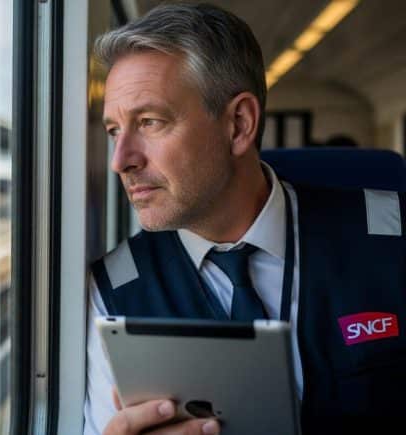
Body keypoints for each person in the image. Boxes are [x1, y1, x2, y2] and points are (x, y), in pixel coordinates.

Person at [85, 4, 405, 435]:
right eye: (113, 131)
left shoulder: (393, 238)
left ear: (239, 124)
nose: (120, 160)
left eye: (150, 122)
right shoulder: (109, 293)